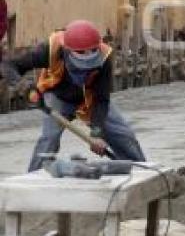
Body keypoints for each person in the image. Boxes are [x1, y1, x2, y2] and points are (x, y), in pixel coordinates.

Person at [0, 20, 146, 172]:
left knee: (123, 135)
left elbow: (102, 100)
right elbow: (8, 65)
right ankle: (34, 177)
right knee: (49, 138)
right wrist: (24, 87)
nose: (84, 72)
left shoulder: (104, 57)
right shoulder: (51, 48)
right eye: (80, 68)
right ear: (68, 53)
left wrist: (96, 133)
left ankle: (144, 172)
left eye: (90, 67)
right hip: (58, 97)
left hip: (91, 99)